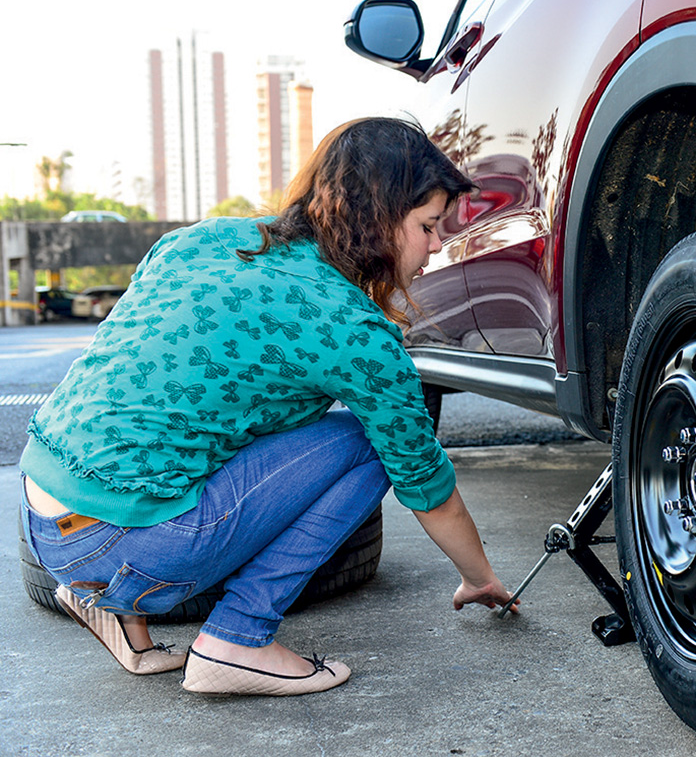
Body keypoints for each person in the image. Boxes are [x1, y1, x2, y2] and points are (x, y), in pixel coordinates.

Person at [18, 117, 518, 696]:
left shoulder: (199, 239)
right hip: (127, 543)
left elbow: (141, 378)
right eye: (429, 226)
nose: (437, 245)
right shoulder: (352, 330)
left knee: (194, 422)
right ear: (378, 218)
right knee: (373, 445)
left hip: (42, 516)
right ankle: (238, 639)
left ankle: (118, 613)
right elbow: (427, 483)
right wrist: (479, 578)